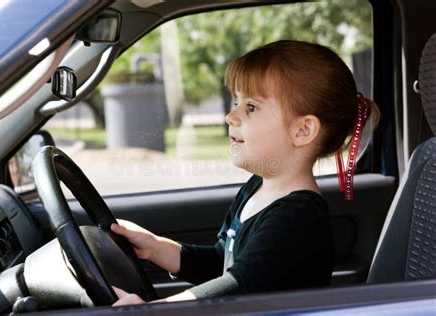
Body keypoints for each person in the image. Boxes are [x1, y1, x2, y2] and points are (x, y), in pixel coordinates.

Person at [110, 40, 379, 306]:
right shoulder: (257, 187)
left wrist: (152, 311)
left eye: (251, 107)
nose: (231, 115)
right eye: (236, 101)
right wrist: (156, 247)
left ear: (303, 131)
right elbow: (223, 264)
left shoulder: (298, 218)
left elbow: (237, 286)